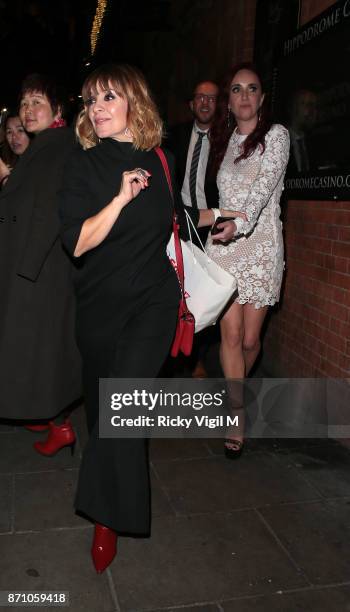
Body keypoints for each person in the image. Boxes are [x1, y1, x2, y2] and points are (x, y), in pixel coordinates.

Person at [58, 63, 241, 574]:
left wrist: (217, 220)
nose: (97, 108)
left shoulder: (160, 156)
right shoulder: (82, 165)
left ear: (134, 103)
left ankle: (105, 519)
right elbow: (77, 242)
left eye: (109, 97)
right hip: (99, 306)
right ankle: (109, 502)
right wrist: (119, 198)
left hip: (154, 304)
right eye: (91, 100)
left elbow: (173, 214)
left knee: (124, 405)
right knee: (103, 416)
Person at [207, 62, 290, 458]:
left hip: (260, 246)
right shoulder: (222, 143)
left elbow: (260, 192)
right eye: (236, 89)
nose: (244, 95)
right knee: (232, 336)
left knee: (252, 341)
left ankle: (236, 389)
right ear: (230, 100)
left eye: (251, 88)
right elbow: (220, 200)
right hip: (224, 246)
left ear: (261, 97)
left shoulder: (276, 136)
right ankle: (236, 415)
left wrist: (238, 225)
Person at [0, 74, 81, 454]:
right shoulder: (44, 145)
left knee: (42, 348)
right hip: (32, 266)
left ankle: (58, 421)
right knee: (42, 350)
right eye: (24, 103)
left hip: (37, 270)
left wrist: (24, 270)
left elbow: (49, 210)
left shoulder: (57, 146)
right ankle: (52, 418)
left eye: (38, 103)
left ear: (58, 110)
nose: (28, 111)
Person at [167, 80, 219, 378]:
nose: (205, 103)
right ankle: (172, 354)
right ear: (191, 103)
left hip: (209, 227)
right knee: (174, 292)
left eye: (211, 98)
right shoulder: (174, 136)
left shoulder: (227, 141)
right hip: (177, 224)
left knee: (201, 295)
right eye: (200, 97)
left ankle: (194, 357)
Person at [0, 112, 30, 187]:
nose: (14, 137)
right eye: (9, 132)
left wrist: (5, 177)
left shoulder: (41, 164)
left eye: (20, 130)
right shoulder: (10, 163)